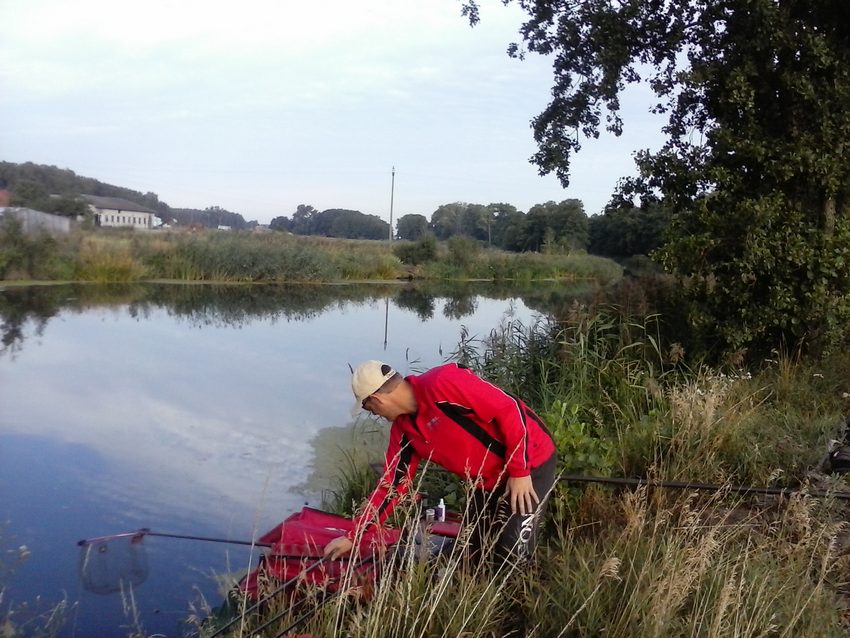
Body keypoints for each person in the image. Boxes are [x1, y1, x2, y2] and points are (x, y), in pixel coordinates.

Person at [323, 360, 558, 566]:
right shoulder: (404, 431)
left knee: (512, 552)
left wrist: (519, 472)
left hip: (530, 461)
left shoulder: (443, 382)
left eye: (369, 408)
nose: (375, 415)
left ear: (377, 399)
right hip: (485, 482)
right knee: (474, 550)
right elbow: (392, 487)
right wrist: (354, 536)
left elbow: (508, 408)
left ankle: (521, 597)